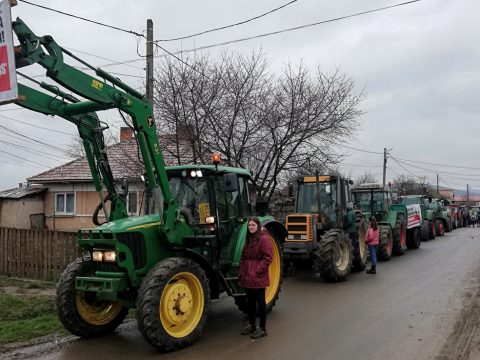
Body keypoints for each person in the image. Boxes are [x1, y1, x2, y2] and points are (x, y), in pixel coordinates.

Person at [238, 216, 273, 339]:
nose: (251, 227)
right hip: (248, 276)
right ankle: (252, 325)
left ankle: (263, 329)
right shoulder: (249, 238)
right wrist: (242, 270)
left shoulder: (264, 239)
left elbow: (268, 257)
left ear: (258, 226)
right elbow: (243, 256)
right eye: (249, 225)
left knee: (261, 303)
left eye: (253, 225)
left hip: (257, 276)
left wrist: (258, 271)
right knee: (250, 303)